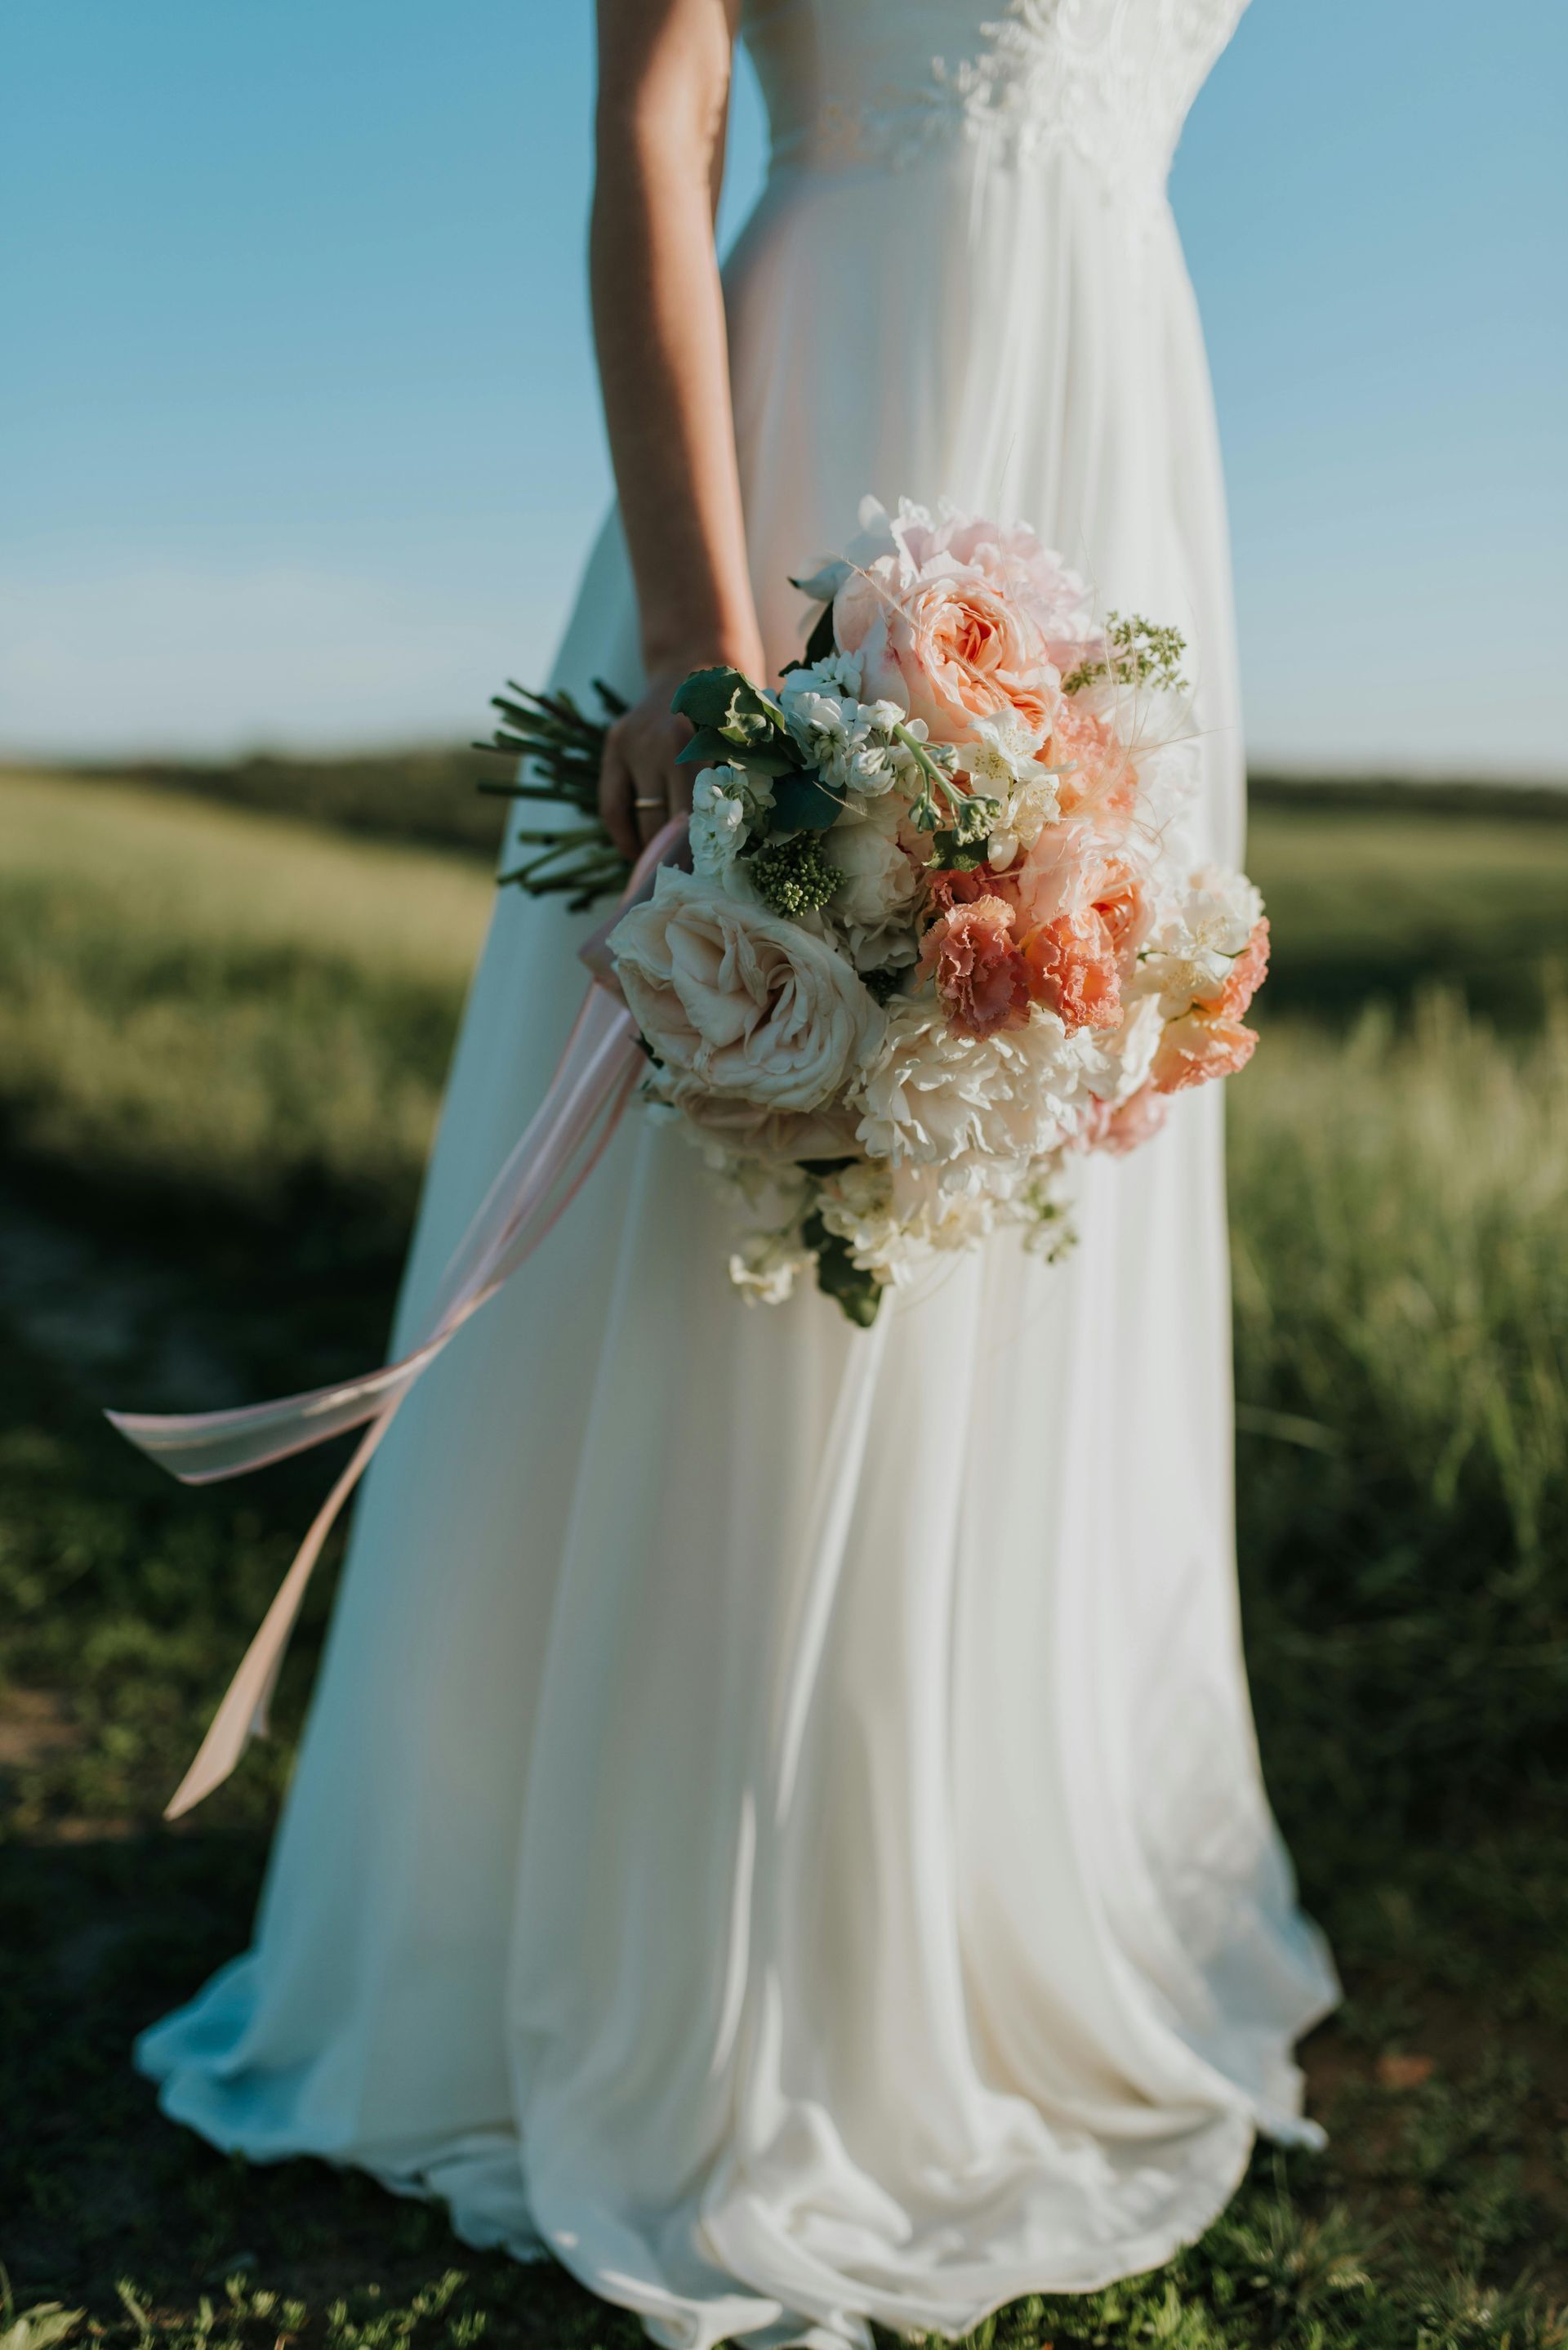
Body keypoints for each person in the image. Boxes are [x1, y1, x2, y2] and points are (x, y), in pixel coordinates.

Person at [138, 4, 1338, 2343]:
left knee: (1039, 1133)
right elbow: (652, 110)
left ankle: (971, 1881)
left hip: (1125, 464)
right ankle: (698, 1940)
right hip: (815, 455)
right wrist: (701, 643)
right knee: (743, 1188)